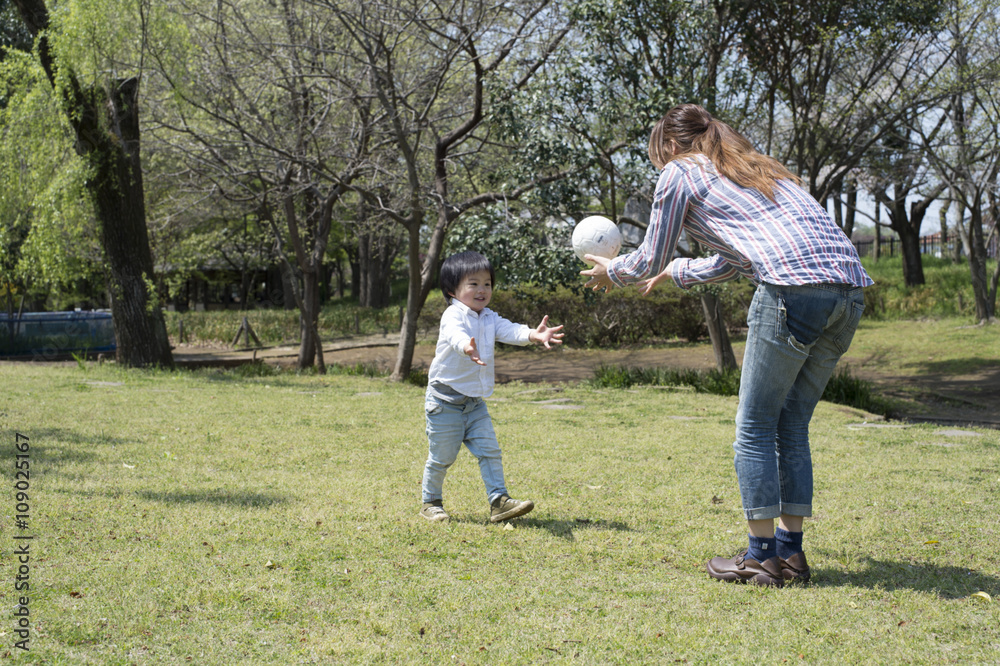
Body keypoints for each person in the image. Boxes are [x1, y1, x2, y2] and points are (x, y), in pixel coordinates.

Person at [581, 103, 873, 587]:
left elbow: (650, 251)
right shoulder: (759, 169)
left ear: (671, 146)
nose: (662, 166)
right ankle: (791, 555)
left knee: (755, 427)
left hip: (791, 292)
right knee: (792, 424)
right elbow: (735, 260)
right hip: (848, 293)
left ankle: (760, 557)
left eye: (659, 157)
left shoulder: (681, 170)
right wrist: (676, 272)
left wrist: (614, 271)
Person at [421, 250, 565, 524]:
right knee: (442, 458)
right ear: (452, 290)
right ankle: (431, 503)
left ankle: (499, 501)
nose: (482, 290)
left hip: (475, 404)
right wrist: (466, 346)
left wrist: (533, 334)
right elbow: (454, 335)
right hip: (444, 403)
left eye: (487, 283)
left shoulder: (488, 317)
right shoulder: (453, 315)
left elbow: (510, 330)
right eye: (473, 283)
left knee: (490, 451)